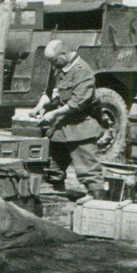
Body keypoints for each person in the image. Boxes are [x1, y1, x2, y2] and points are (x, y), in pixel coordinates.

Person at [30, 39, 105, 199]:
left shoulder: (82, 70)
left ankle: (98, 205)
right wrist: (40, 106)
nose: (52, 64)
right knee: (53, 169)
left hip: (80, 128)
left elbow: (77, 103)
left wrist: (53, 114)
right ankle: (56, 201)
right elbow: (50, 92)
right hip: (59, 129)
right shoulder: (58, 68)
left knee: (88, 171)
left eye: (54, 60)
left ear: (64, 54)